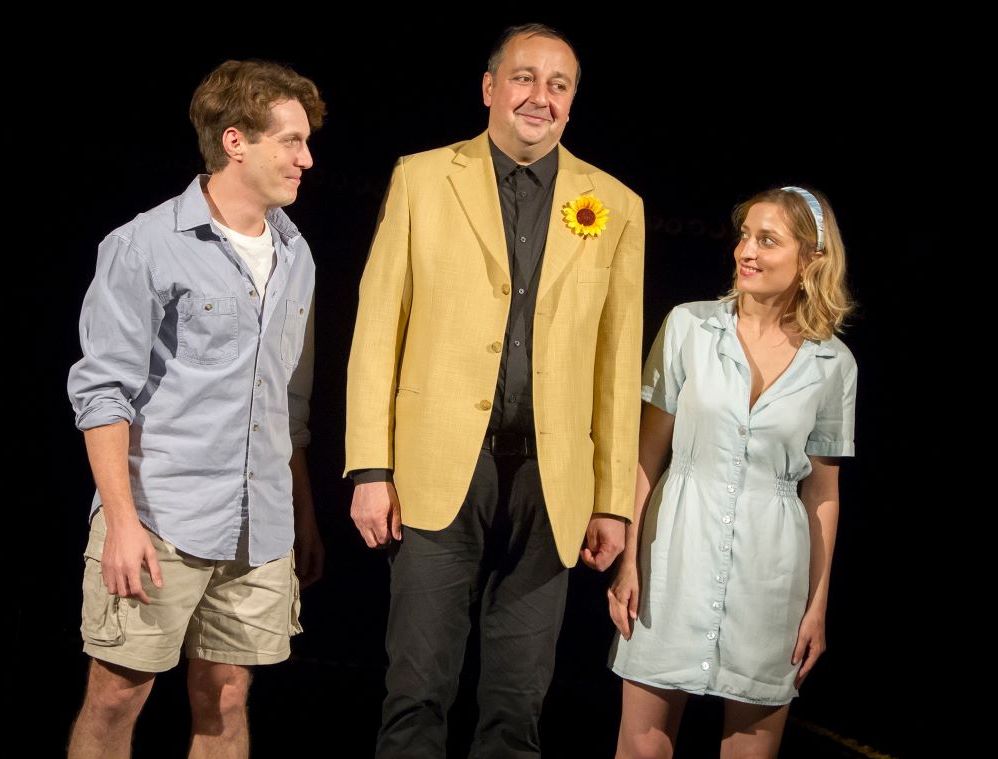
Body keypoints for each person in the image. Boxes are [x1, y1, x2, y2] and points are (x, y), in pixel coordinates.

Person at [345, 23, 645, 757]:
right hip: (436, 467)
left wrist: (611, 498)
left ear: (572, 102)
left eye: (558, 85)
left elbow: (616, 365)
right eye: (523, 78)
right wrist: (370, 467)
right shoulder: (422, 178)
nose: (540, 96)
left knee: (517, 707)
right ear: (489, 88)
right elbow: (378, 328)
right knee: (416, 692)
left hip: (552, 481)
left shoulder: (616, 204)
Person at [65, 59, 325, 759]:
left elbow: (286, 403)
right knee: (117, 695)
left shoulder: (296, 254)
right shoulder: (145, 245)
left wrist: (300, 510)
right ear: (235, 140)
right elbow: (102, 393)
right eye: (291, 141)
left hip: (260, 526)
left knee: (227, 696)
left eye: (305, 142)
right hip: (161, 519)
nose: (306, 159)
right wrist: (121, 522)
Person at [607, 186, 857, 758]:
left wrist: (816, 605)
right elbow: (647, 454)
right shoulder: (689, 327)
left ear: (811, 259)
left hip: (772, 571)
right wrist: (629, 561)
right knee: (642, 745)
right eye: (745, 236)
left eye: (767, 240)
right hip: (675, 551)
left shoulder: (833, 363)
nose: (746, 251)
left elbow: (823, 493)